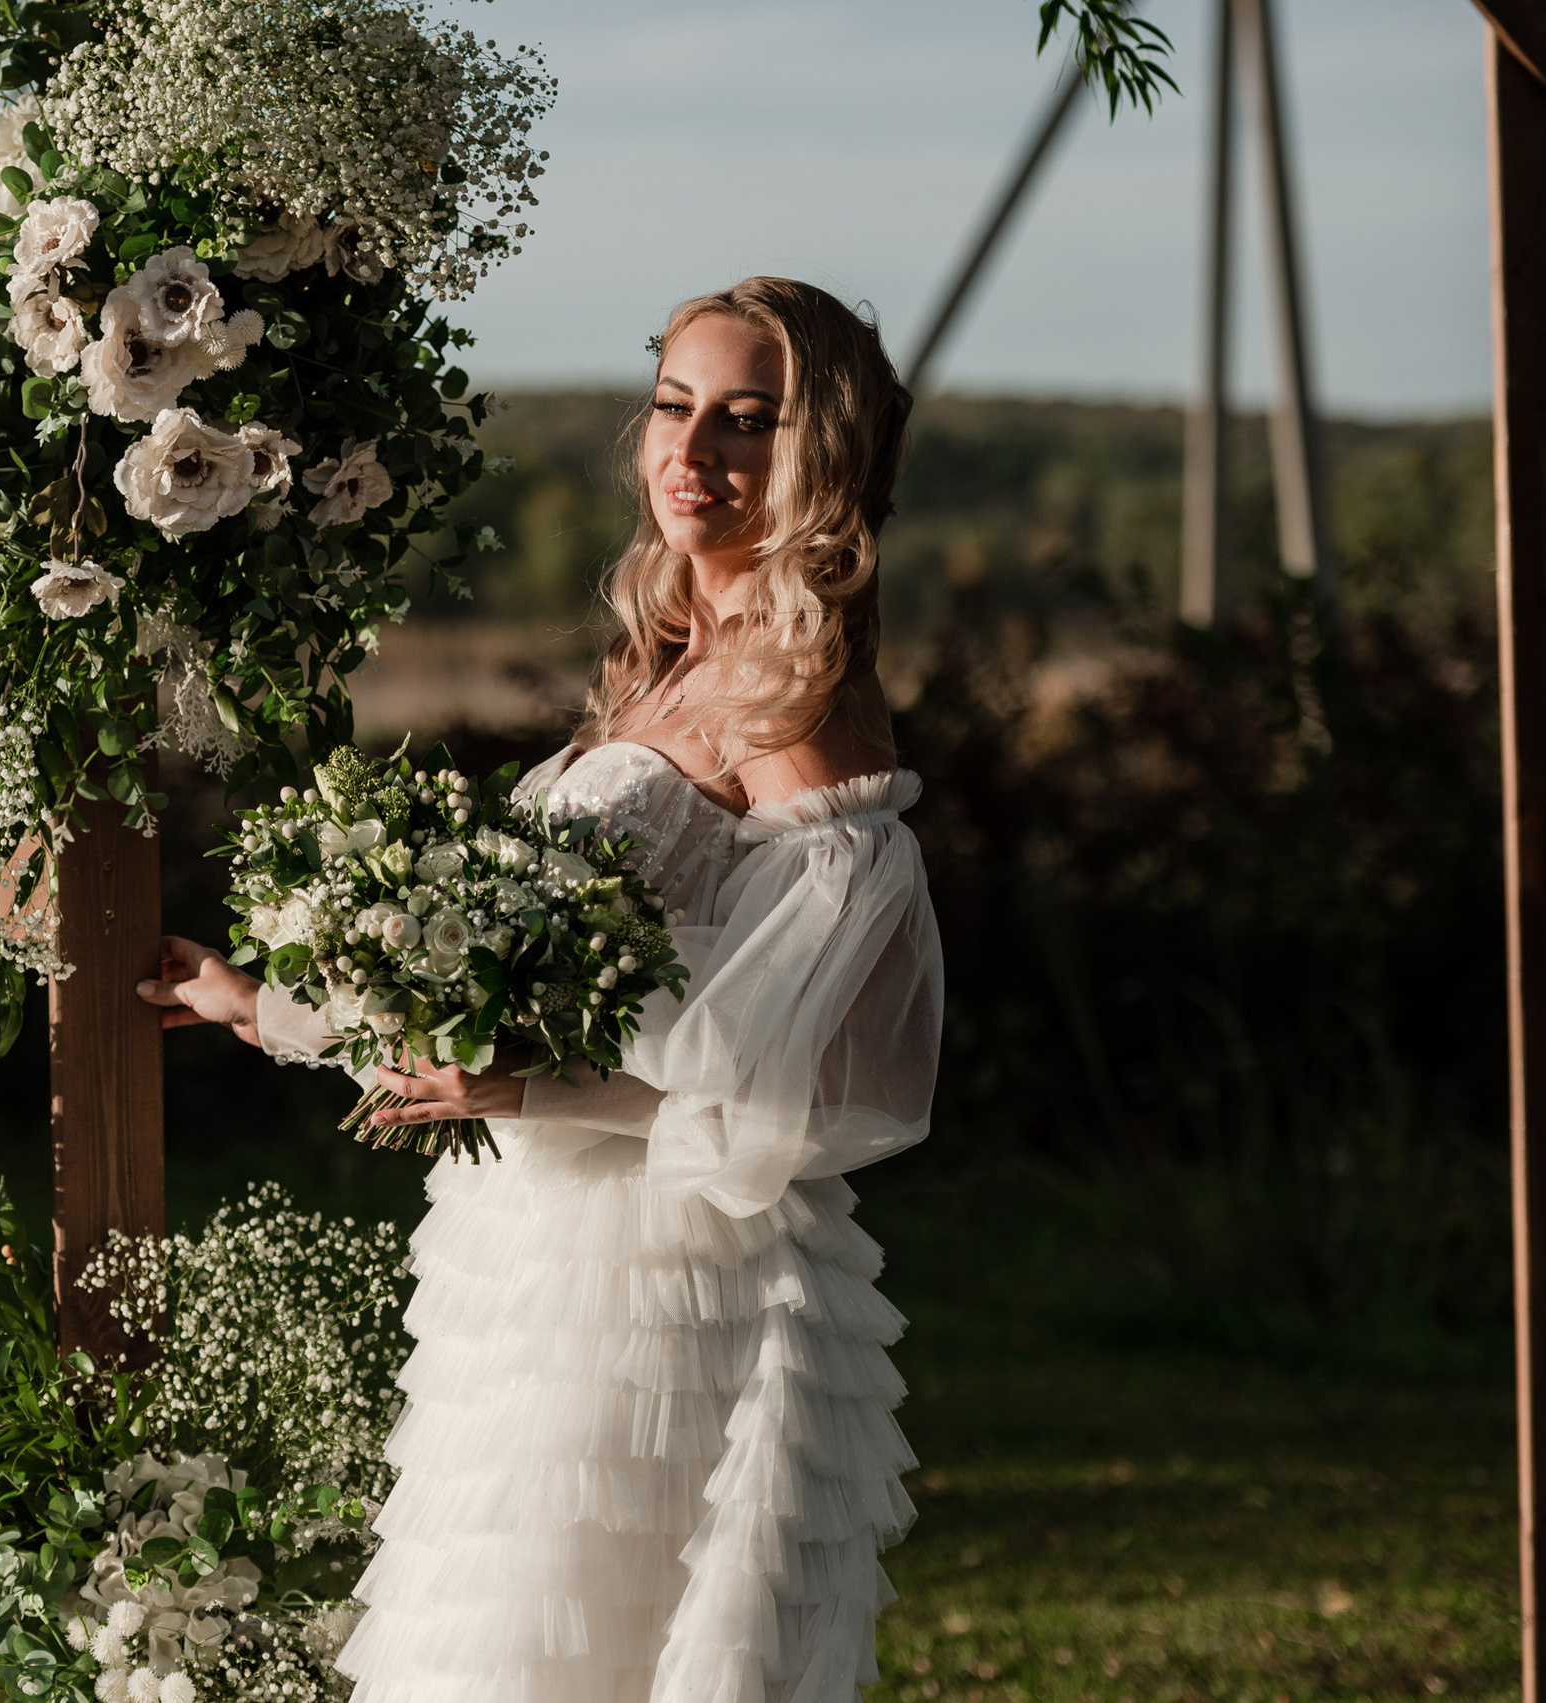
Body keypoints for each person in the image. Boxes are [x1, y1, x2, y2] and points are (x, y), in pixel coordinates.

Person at [136, 276, 944, 1703]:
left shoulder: (799, 698)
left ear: (820, 455)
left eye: (747, 423)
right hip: (531, 1249)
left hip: (672, 1278)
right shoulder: (666, 672)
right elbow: (518, 973)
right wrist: (270, 1007)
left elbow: (833, 1084)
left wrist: (531, 1091)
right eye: (675, 407)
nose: (693, 452)